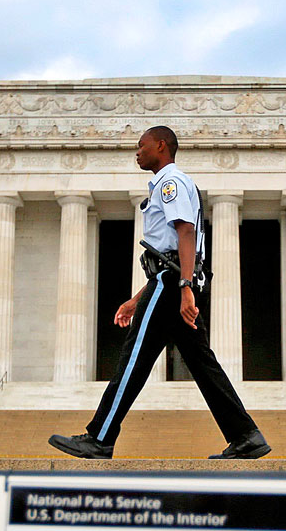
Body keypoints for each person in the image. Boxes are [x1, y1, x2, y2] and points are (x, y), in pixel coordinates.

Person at [48, 126, 270, 460]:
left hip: (171, 283)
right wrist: (137, 299)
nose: (137, 152)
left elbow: (185, 232)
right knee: (202, 364)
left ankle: (100, 437)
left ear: (161, 147)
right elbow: (166, 250)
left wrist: (183, 288)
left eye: (142, 146)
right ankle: (245, 436)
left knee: (134, 358)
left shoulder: (171, 183)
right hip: (169, 281)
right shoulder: (168, 184)